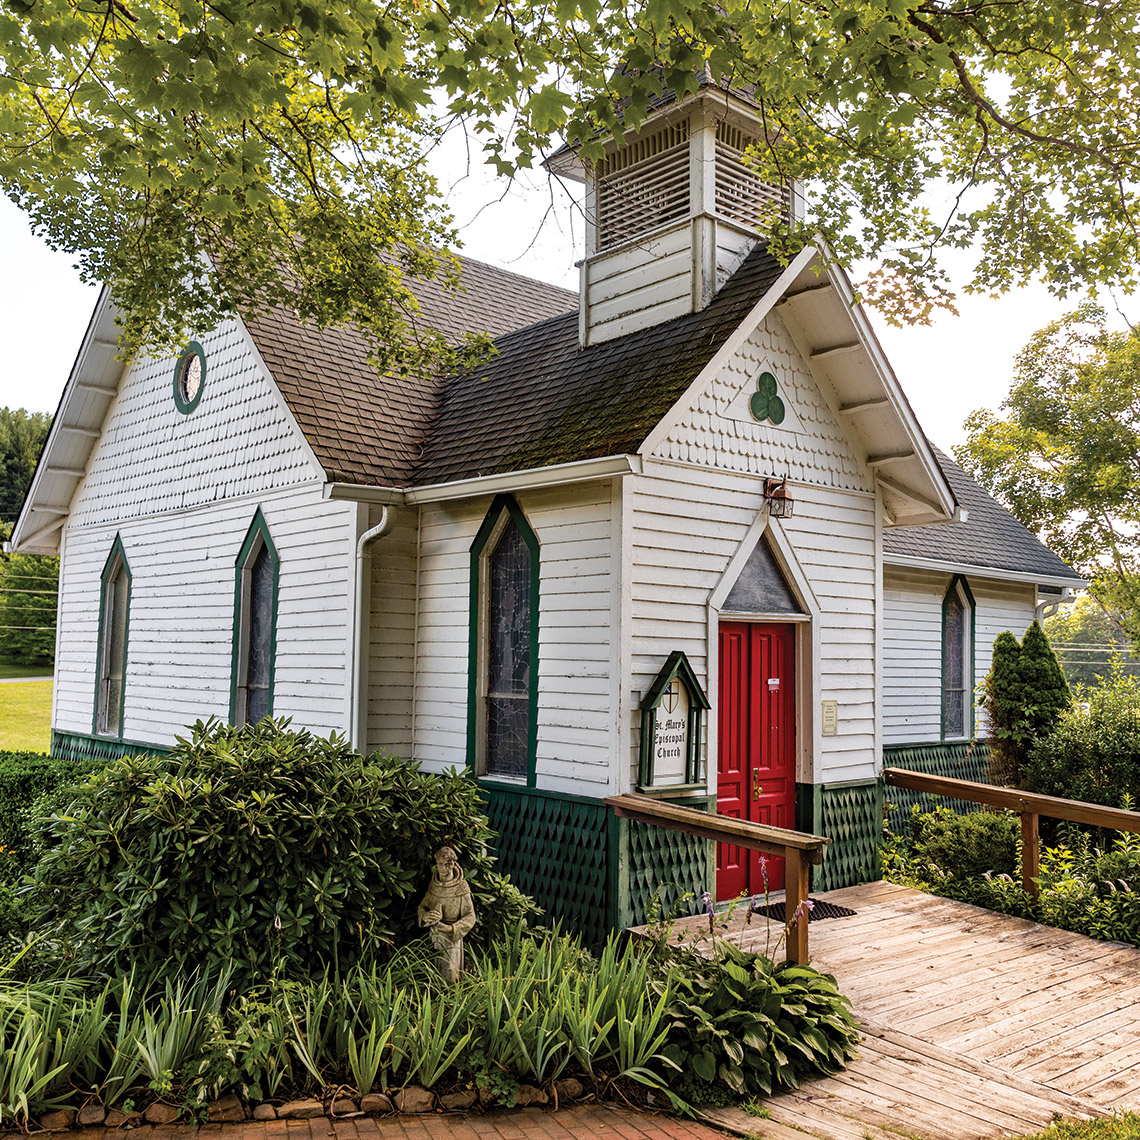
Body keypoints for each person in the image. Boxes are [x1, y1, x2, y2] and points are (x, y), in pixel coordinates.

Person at [416, 845, 477, 982]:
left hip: (452, 937)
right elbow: (422, 906)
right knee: (434, 971)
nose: (443, 868)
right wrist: (425, 916)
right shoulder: (434, 884)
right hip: (435, 935)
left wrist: (452, 929)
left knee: (450, 972)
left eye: (447, 864)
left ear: (453, 864)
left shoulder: (461, 887)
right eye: (440, 864)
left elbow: (470, 916)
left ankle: (451, 995)